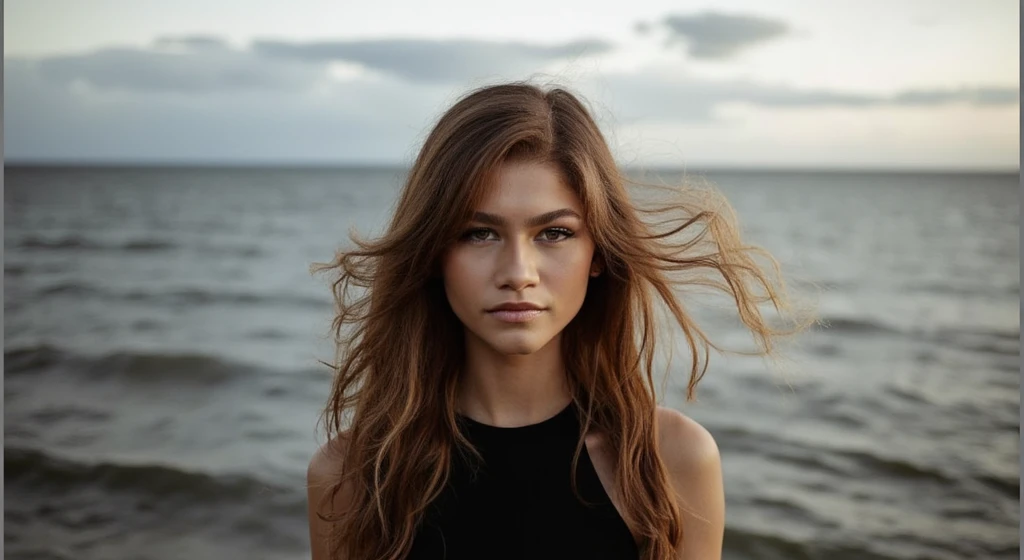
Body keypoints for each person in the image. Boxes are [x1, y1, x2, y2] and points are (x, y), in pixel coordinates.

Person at [306, 81, 811, 560]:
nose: (518, 274)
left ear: (598, 253)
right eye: (478, 234)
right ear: (434, 253)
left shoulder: (671, 462)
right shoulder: (350, 476)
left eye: (554, 233)